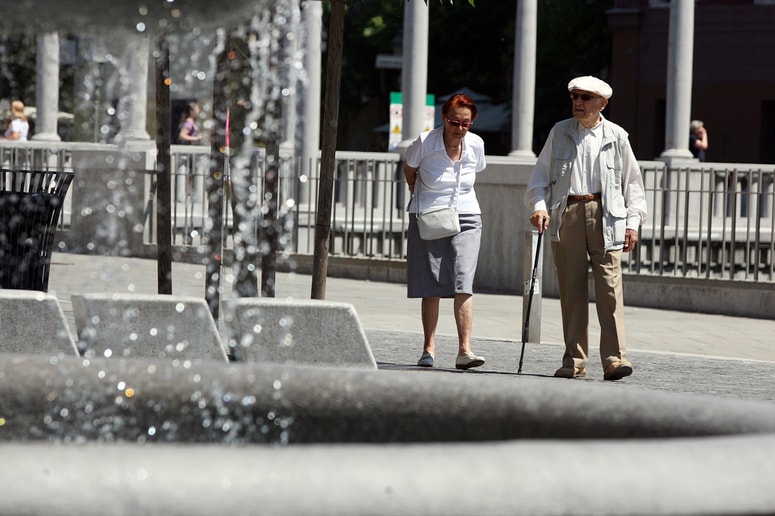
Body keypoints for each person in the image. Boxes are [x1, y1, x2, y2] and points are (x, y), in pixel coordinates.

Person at [525, 76, 647, 381]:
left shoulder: (617, 136)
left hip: (606, 215)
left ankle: (615, 360)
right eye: (574, 97)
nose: (578, 103)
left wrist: (633, 223)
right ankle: (574, 360)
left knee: (609, 289)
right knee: (572, 291)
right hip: (567, 213)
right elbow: (539, 179)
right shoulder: (559, 131)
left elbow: (633, 184)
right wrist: (539, 207)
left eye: (585, 98)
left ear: (601, 104)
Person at [403, 93, 487, 370]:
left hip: (467, 215)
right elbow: (409, 168)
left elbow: (479, 171)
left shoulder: (476, 145)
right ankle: (429, 347)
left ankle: (465, 349)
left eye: (466, 124)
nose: (459, 129)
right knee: (433, 281)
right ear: (443, 118)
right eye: (454, 122)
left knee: (463, 280)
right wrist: (416, 192)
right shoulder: (425, 142)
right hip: (430, 215)